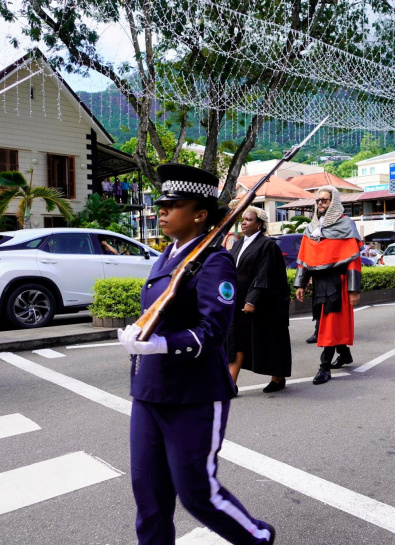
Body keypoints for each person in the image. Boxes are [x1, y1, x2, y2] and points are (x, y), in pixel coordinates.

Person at [117, 163, 275, 545]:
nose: (162, 211)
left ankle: (257, 537)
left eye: (173, 205)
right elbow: (162, 308)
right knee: (149, 494)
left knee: (196, 493)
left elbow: (213, 330)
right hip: (150, 390)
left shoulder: (214, 261)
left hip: (194, 394)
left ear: (200, 214)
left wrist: (161, 344)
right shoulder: (168, 253)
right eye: (162, 204)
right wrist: (141, 331)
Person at [294, 186, 362, 385]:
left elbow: (353, 261)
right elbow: (304, 259)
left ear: (334, 202)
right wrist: (301, 284)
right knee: (325, 323)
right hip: (319, 282)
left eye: (324, 200)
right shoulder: (312, 228)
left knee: (331, 325)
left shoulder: (346, 225)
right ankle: (345, 354)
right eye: (318, 200)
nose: (320, 203)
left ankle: (324, 367)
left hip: (338, 283)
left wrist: (354, 289)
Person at [226, 206, 292, 394]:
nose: (244, 223)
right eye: (243, 219)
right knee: (237, 340)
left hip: (265, 304)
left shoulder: (267, 245)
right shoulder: (238, 243)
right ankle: (231, 383)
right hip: (238, 300)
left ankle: (278, 378)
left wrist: (252, 300)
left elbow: (265, 275)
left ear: (260, 225)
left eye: (248, 220)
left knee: (270, 340)